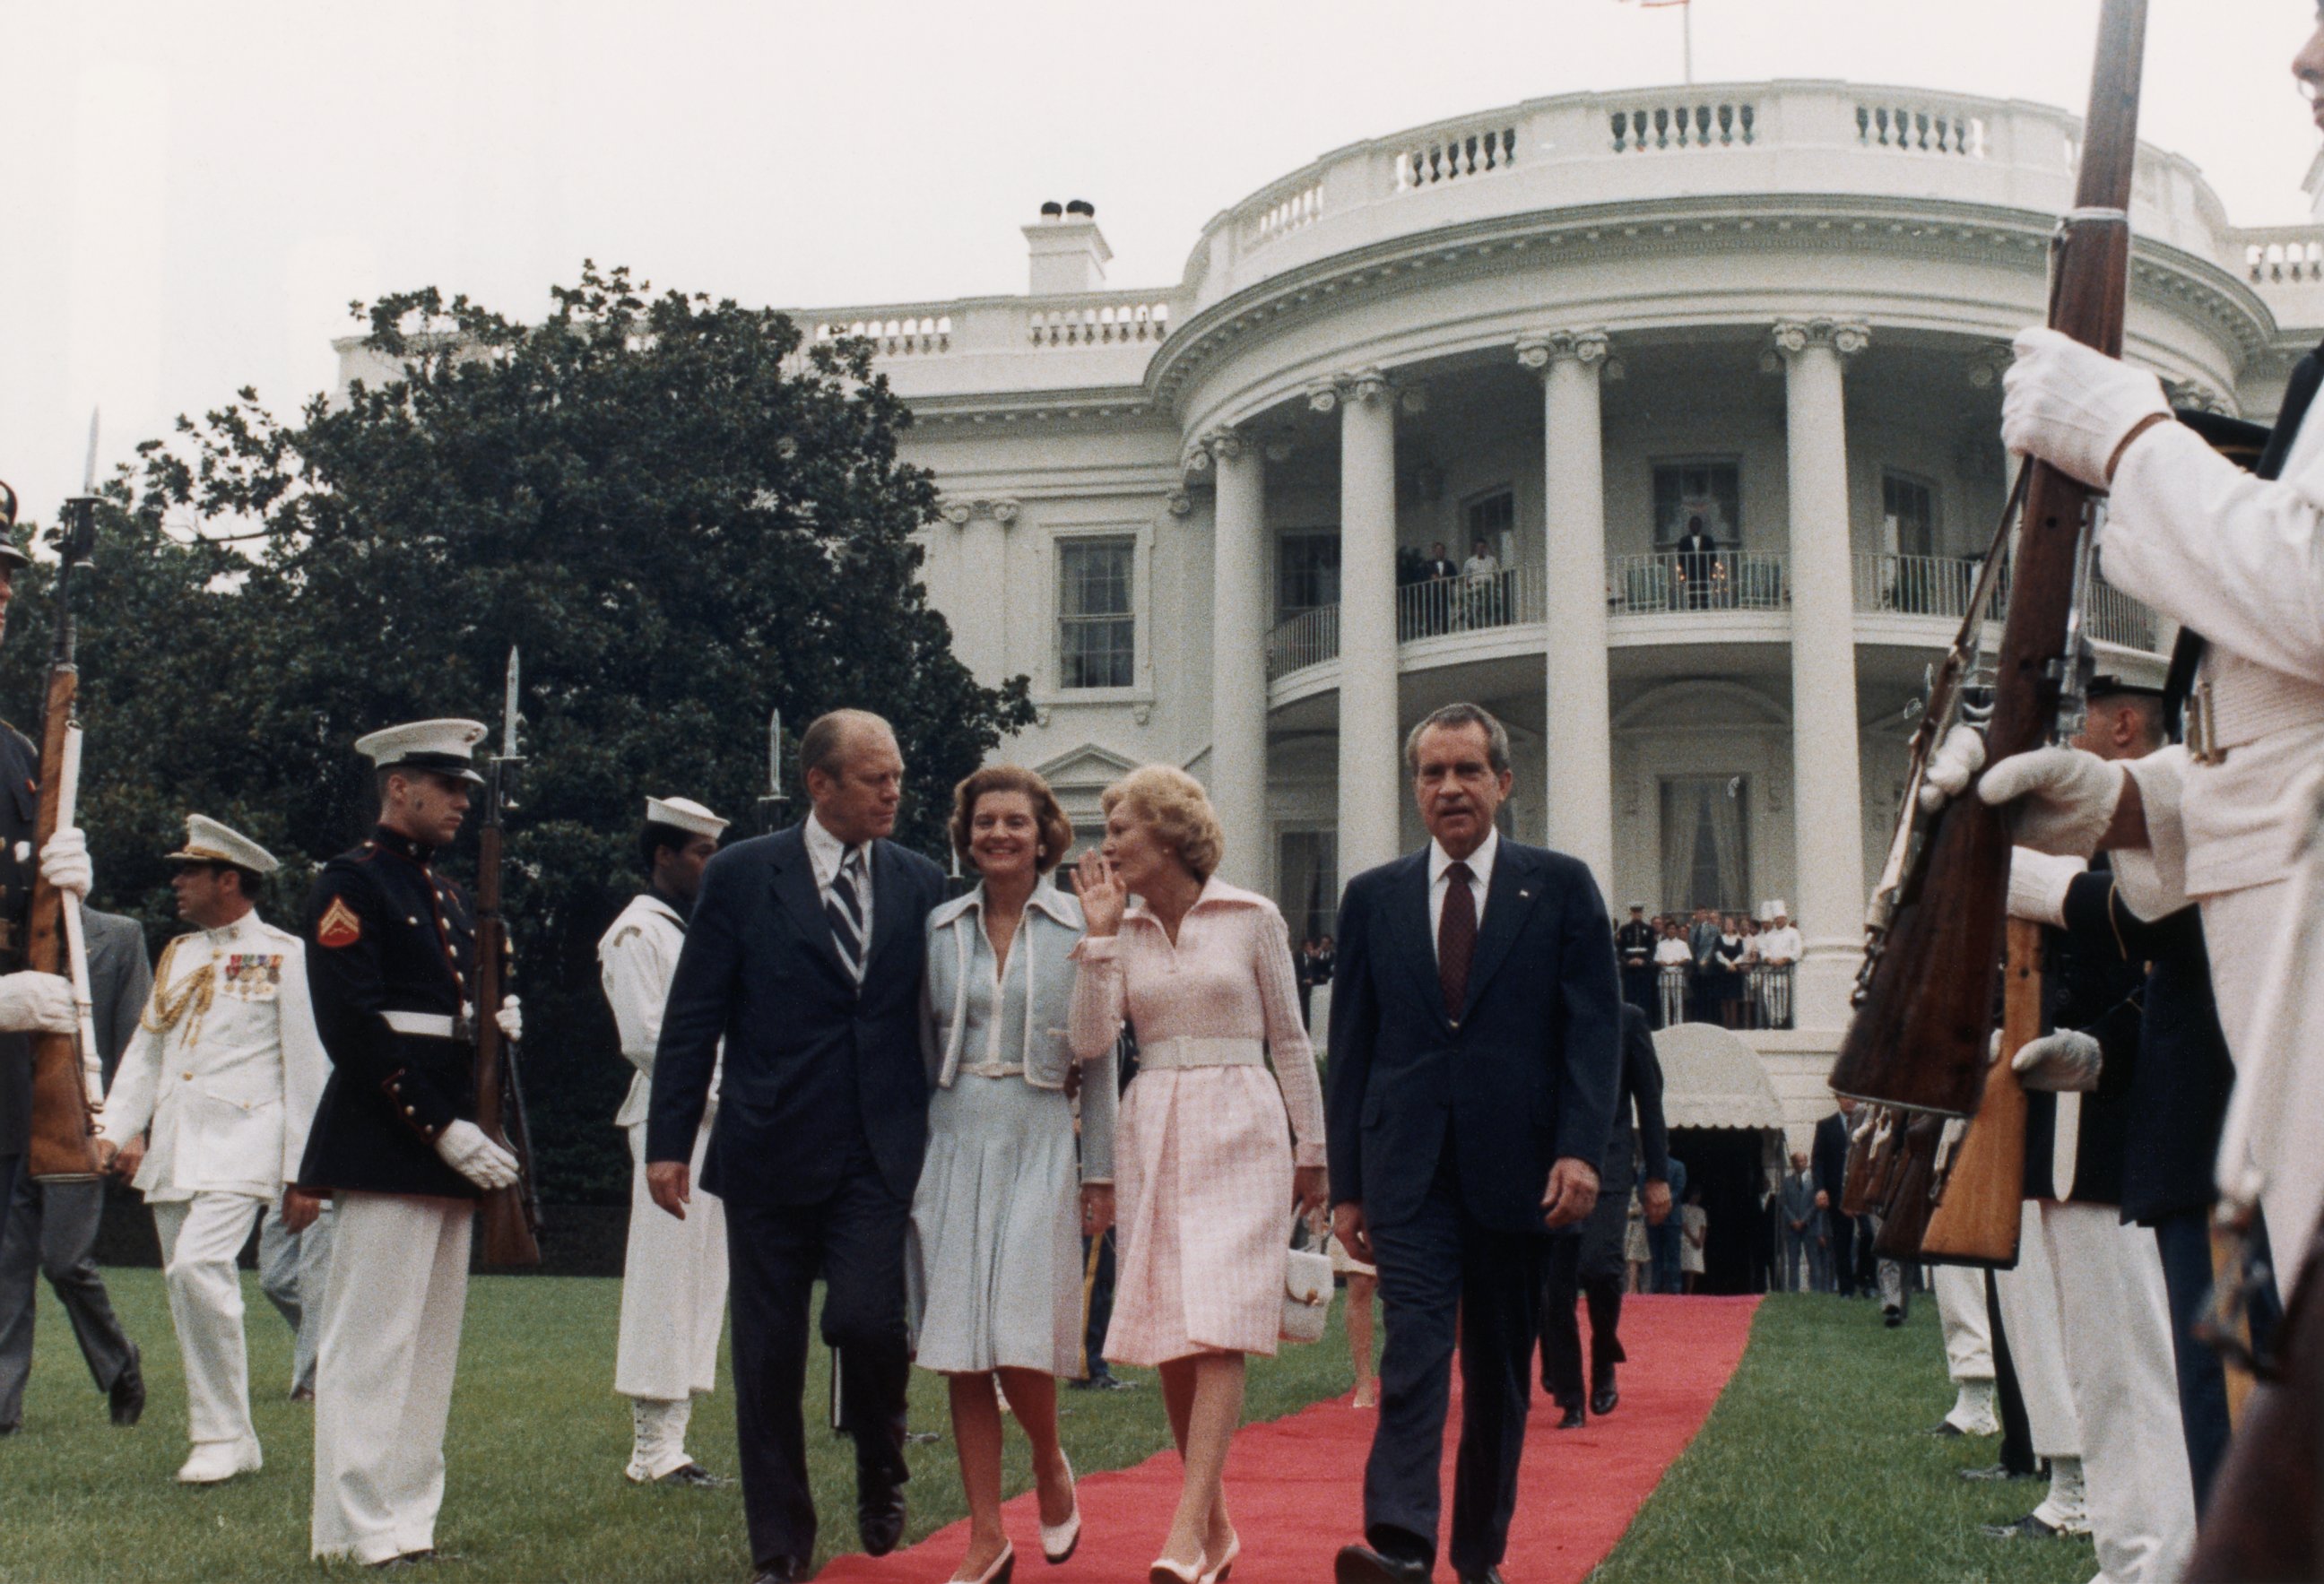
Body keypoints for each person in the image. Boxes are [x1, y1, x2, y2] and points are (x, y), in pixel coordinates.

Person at [648, 710, 945, 1584]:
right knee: (768, 1356)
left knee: (865, 1320)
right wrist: (668, 1142)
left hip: (878, 1151)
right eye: (875, 778)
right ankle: (781, 1546)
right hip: (769, 1144)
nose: (894, 792)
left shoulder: (922, 882)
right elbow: (694, 1012)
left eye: (897, 776)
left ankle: (880, 1458)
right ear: (821, 784)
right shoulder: (743, 875)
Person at [1327, 703, 1620, 1584]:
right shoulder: (1372, 898)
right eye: (1431, 773)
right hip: (1405, 1168)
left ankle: (1478, 1556)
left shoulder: (1560, 887)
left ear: (1504, 780)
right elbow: (1353, 1048)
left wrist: (1581, 1150)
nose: (1449, 788)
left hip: (1520, 1170)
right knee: (1413, 1347)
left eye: (1466, 770)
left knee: (1498, 1372)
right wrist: (1348, 1186)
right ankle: (1400, 1545)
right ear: (1414, 788)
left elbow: (1592, 1032)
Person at [1068, 765, 1326, 1584]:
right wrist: (1101, 941)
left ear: (1172, 833)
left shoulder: (1254, 917)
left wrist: (1312, 1144)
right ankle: (1215, 1530)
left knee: (1219, 1319)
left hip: (1243, 1120)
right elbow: (1087, 1041)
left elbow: (1289, 1038)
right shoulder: (1122, 932)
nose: (1105, 847)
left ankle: (1184, 1530)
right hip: (1155, 1124)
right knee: (1177, 1330)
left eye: (1120, 830)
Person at [297, 719, 525, 1565]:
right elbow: (353, 1028)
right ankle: (352, 1530)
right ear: (399, 786)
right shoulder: (350, 883)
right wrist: (442, 1124)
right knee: (371, 1344)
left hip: (451, 1134)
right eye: (449, 785)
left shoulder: (457, 898)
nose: (464, 801)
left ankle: (405, 1521)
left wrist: (498, 1028)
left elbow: (453, 1017)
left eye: (467, 787)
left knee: (429, 1348)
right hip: (390, 1136)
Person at [915, 766, 1115, 1584]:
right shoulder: (938, 925)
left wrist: (1098, 1171)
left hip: (1040, 1136)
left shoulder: (1083, 920)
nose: (999, 834)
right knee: (963, 1346)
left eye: (1016, 822)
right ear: (966, 834)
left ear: (1045, 834)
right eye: (984, 821)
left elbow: (1099, 1058)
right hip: (953, 1134)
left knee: (1022, 1338)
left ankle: (1048, 1458)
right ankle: (986, 1535)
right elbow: (915, 1046)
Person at [93, 816, 325, 1484]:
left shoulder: (286, 954)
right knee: (183, 1285)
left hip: (246, 1141)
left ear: (230, 879)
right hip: (178, 1146)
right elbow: (148, 1052)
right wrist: (112, 1129)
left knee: (200, 1267)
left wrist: (305, 1174)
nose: (176, 882)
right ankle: (223, 1436)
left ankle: (225, 1434)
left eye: (188, 871)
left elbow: (309, 1068)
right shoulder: (180, 954)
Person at [0, 520, 110, 1439]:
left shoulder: (14, 753)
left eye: (5, 577)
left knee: (7, 1248)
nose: (1, 594)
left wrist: (66, 883)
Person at [601, 795, 733, 1489]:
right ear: (664, 855)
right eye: (701, 853)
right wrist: (719, 1092)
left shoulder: (691, 929)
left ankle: (672, 1443)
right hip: (670, 1118)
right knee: (665, 1278)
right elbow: (645, 1036)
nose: (710, 867)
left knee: (701, 1280)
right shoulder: (637, 932)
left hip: (716, 1119)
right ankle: (651, 1447)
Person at [0, 905, 149, 1435]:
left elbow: (137, 1035)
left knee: (65, 1263)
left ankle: (121, 1364)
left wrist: (132, 1126)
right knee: (7, 1269)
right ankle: (3, 1410)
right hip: (11, 1121)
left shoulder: (120, 935)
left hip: (83, 1125)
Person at [1541, 1002, 1669, 1428]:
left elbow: (1650, 1102)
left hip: (1608, 1163)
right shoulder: (1537, 1013)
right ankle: (1571, 1397)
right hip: (1547, 1164)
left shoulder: (1628, 1020)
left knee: (1599, 1264)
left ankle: (1603, 1358)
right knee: (1554, 1288)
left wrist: (1657, 1176)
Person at [1813, 1099, 1862, 1298]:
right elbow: (1818, 1159)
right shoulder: (1826, 1125)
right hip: (1837, 1193)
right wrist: (1820, 1189)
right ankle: (1846, 1289)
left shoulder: (1867, 1124)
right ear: (1838, 1098)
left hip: (1863, 1192)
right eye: (1845, 1097)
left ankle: (1867, 1281)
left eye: (1853, 1097)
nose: (1850, 1101)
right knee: (1842, 1242)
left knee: (1869, 1234)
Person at [1779, 1151, 1822, 1294]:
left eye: (1802, 1161)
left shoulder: (1814, 1182)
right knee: (1793, 1261)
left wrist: (1804, 1220)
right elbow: (1783, 1204)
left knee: (1813, 1260)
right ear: (1793, 1164)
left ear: (1807, 1162)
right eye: (1797, 1162)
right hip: (1792, 1228)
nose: (1800, 1164)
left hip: (1809, 1226)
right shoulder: (1786, 1182)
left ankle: (1815, 1289)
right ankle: (1793, 1290)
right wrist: (1793, 1220)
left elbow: (1816, 1204)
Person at [1756, 904, 1801, 1030]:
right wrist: (1768, 959)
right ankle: (1772, 1022)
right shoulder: (1770, 935)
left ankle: (1781, 1023)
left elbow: (1797, 951)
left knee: (1783, 998)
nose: (1778, 921)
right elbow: (1763, 949)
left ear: (1785, 918)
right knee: (1768, 996)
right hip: (1771, 971)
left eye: (1780, 918)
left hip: (1785, 971)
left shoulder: (1793, 933)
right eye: (1776, 919)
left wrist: (1784, 959)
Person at [1615, 905, 1658, 1026]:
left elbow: (1652, 949)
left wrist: (1644, 961)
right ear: (1631, 914)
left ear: (1642, 914)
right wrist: (1628, 962)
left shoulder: (1649, 930)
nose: (1637, 915)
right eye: (1634, 913)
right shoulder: (1624, 930)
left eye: (1639, 913)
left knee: (1644, 998)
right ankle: (1630, 1024)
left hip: (1644, 970)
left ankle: (1645, 1023)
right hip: (1630, 970)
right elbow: (1620, 949)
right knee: (1630, 997)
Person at [1673, 515, 1719, 610]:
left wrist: (1709, 567)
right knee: (1691, 590)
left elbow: (1713, 556)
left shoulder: (1708, 540)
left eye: (1697, 524)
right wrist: (1684, 568)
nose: (1695, 526)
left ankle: (1705, 608)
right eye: (1693, 524)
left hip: (1704, 570)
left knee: (1704, 590)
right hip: (1690, 570)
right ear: (1690, 526)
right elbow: (1680, 556)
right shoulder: (1684, 541)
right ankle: (1692, 608)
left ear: (1700, 526)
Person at [1652, 922, 1691, 1027]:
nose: (1671, 931)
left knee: (1678, 1003)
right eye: (1669, 929)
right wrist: (1661, 962)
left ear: (1676, 931)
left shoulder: (1682, 944)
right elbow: (1656, 959)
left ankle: (1678, 1026)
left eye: (1673, 929)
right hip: (1665, 975)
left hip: (1677, 974)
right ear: (1666, 930)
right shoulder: (1661, 944)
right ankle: (1666, 1026)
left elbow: (1687, 958)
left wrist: (1679, 962)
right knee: (1665, 1004)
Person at [1713, 914, 1747, 1029]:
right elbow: (1718, 954)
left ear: (1734, 926)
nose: (1728, 926)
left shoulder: (1739, 940)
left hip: (1735, 973)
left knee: (1734, 1000)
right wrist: (1728, 964)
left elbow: (1741, 955)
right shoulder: (1719, 939)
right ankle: (1725, 1025)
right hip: (1723, 972)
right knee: (1724, 1000)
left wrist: (1733, 964)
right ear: (1723, 926)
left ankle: (1734, 1025)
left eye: (1730, 924)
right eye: (1726, 924)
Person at [1461, 537, 1500, 628]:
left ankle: (1490, 624)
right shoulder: (1469, 562)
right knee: (1476, 609)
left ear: (1485, 548)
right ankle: (1475, 625)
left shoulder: (1492, 560)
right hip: (1476, 589)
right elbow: (1466, 577)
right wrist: (1469, 588)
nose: (1480, 549)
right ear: (1475, 548)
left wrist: (1495, 586)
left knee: (1490, 608)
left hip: (1489, 589)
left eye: (1482, 547)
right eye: (1478, 547)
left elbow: (1497, 575)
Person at [1678, 1188, 1707, 1294]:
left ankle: (1689, 1292)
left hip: (1697, 1241)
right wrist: (1693, 1238)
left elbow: (1703, 1227)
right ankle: (1680, 1291)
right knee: (1683, 1267)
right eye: (1694, 1194)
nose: (1696, 1197)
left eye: (1698, 1195)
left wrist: (1700, 1240)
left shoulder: (1701, 1211)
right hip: (1686, 1240)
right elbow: (1683, 1225)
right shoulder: (1683, 1208)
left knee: (1692, 1269)